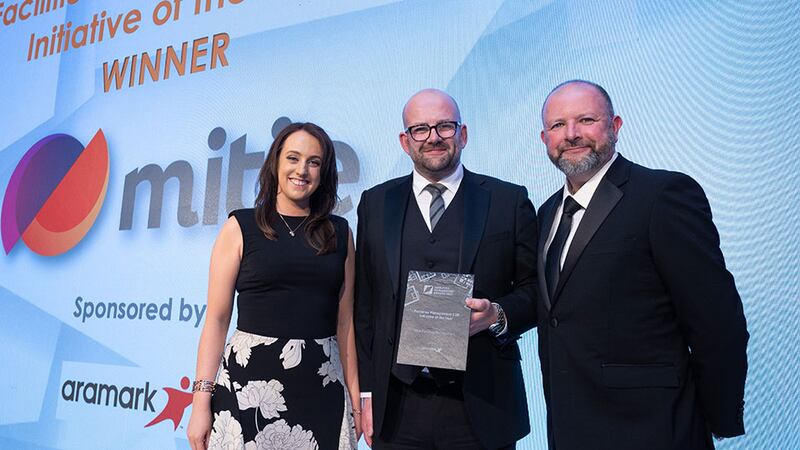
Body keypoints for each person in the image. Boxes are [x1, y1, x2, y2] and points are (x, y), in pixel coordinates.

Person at [536, 80, 749, 449]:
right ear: (544, 139)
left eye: (586, 119)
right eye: (558, 125)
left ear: (615, 126)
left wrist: (716, 417)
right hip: (570, 431)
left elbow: (717, 321)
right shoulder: (546, 214)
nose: (571, 134)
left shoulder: (663, 196)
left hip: (652, 429)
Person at [355, 89, 538, 449]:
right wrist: (366, 392)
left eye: (444, 126)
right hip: (397, 405)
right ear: (405, 141)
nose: (434, 137)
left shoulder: (508, 200)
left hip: (483, 404)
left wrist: (497, 314)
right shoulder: (375, 203)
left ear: (463, 133)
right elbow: (365, 304)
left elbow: (536, 291)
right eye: (420, 129)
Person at [186, 122, 361, 450]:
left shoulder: (340, 232)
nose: (302, 170)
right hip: (245, 389)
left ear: (323, 173)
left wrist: (355, 399)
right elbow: (217, 319)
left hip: (321, 388)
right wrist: (200, 402)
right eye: (293, 158)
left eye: (314, 162)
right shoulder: (240, 226)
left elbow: (345, 323)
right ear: (275, 164)